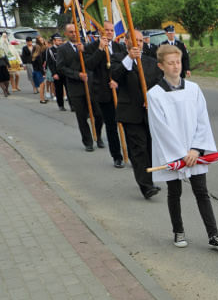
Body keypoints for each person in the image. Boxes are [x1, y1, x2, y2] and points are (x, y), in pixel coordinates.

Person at [147, 44, 218, 251]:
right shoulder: (155, 94)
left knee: (201, 192)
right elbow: (161, 128)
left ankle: (214, 236)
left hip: (194, 152)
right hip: (173, 154)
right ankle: (178, 231)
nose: (176, 66)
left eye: (178, 62)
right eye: (171, 63)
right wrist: (181, 155)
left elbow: (202, 120)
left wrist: (195, 150)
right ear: (161, 66)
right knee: (174, 192)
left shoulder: (193, 89)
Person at [111, 29, 163, 198]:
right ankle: (146, 186)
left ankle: (149, 178)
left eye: (141, 41)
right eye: (135, 40)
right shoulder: (119, 59)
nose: (138, 43)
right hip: (130, 113)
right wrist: (130, 59)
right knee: (138, 149)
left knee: (148, 148)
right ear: (126, 41)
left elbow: (158, 83)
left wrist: (151, 98)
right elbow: (115, 76)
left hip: (149, 113)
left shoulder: (150, 61)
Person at [56, 23, 105, 151]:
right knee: (82, 117)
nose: (74, 34)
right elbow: (60, 68)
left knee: (99, 114)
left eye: (75, 31)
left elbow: (93, 61)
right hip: (75, 88)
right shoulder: (62, 49)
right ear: (66, 34)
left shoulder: (86, 46)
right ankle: (88, 141)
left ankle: (98, 136)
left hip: (91, 85)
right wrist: (77, 75)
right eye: (71, 32)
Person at [84, 21, 126, 168]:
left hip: (122, 92)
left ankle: (132, 155)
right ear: (100, 31)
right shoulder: (91, 47)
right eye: (106, 30)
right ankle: (117, 156)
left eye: (111, 30)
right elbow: (89, 65)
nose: (109, 33)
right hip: (104, 94)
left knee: (128, 125)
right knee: (111, 126)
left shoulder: (119, 47)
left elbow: (125, 68)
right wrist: (100, 50)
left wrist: (118, 82)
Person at [46, 33, 67, 111]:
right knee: (59, 90)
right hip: (57, 73)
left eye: (60, 40)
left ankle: (72, 106)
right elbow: (50, 63)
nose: (60, 42)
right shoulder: (50, 50)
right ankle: (61, 105)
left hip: (65, 72)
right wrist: (54, 73)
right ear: (54, 41)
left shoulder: (64, 48)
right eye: (58, 40)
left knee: (69, 89)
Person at [32, 36, 48, 103]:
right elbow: (40, 66)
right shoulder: (38, 56)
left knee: (41, 85)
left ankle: (42, 98)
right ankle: (42, 99)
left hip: (35, 71)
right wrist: (43, 73)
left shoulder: (33, 56)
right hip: (39, 71)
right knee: (42, 85)